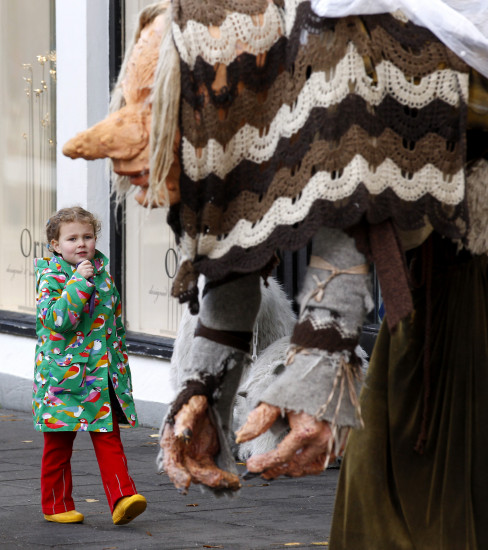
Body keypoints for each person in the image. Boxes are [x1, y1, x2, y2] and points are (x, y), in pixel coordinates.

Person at [62, 4, 488, 546]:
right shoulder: (268, 63)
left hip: (457, 269)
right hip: (431, 277)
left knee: (418, 496)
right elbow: (235, 230)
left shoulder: (341, 53)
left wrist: (313, 381)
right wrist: (204, 389)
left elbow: (350, 217)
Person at [33, 206, 147, 525]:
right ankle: (55, 505)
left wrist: (119, 366)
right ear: (55, 245)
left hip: (99, 376)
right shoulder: (51, 277)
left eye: (88, 236)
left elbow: (114, 324)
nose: (81, 243)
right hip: (61, 381)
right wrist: (78, 284)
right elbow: (57, 320)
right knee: (58, 445)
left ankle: (123, 498)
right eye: (72, 238)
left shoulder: (102, 275)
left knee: (108, 437)